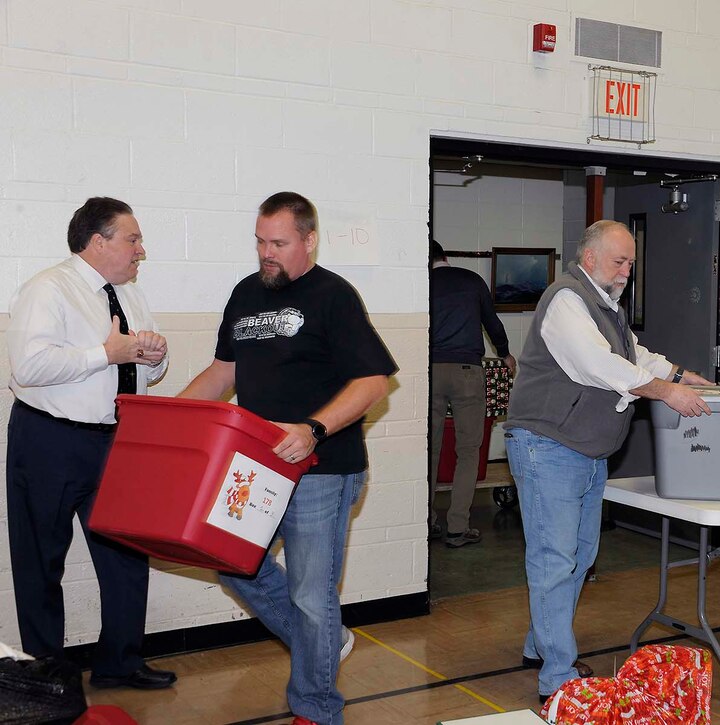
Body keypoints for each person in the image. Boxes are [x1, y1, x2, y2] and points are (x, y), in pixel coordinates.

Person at [178, 192, 395, 725]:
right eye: (260, 241)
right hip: (258, 468)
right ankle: (325, 645)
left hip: (324, 469)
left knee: (309, 591)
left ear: (308, 240)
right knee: (233, 564)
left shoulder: (333, 296)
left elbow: (373, 380)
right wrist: (169, 416)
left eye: (278, 243)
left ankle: (317, 709)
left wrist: (314, 428)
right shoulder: (245, 294)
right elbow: (224, 371)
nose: (266, 252)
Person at [504, 219, 713, 702]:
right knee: (556, 558)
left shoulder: (606, 306)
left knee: (579, 555)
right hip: (548, 446)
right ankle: (557, 677)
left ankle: (540, 643)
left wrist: (683, 375)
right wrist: (667, 393)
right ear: (590, 257)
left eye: (631, 263)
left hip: (586, 450)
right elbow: (599, 365)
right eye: (620, 261)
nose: (627, 271)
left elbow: (635, 354)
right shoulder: (566, 299)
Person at [6, 197, 174, 689]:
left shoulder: (131, 293)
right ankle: (49, 677)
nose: (142, 250)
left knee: (126, 554)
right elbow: (29, 367)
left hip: (118, 441)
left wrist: (155, 356)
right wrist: (106, 353)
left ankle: (120, 663)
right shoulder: (48, 288)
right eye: (133, 239)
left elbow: (148, 372)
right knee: (41, 561)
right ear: (98, 242)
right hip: (50, 440)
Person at [429, 240, 516, 547]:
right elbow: (492, 323)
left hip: (431, 372)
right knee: (468, 451)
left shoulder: (421, 281)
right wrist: (505, 354)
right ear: (445, 256)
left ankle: (428, 522)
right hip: (467, 371)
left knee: (431, 449)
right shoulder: (470, 280)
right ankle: (457, 527)